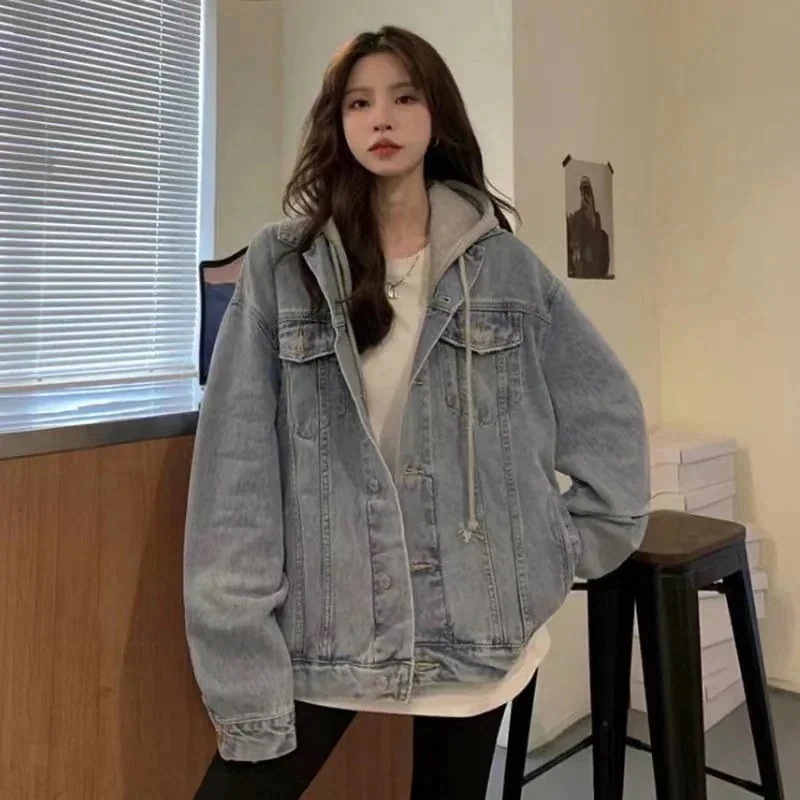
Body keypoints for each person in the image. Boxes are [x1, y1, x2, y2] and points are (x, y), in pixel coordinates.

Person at [184, 25, 649, 800]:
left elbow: (608, 417)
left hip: (473, 630)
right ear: (338, 123)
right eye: (359, 103)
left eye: (404, 98)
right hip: (325, 631)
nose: (382, 119)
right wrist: (240, 651)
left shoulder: (504, 268)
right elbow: (235, 478)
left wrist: (547, 552)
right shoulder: (281, 266)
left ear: (437, 117)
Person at [567, 175, 611, 279]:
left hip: (594, 267)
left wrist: (591, 216)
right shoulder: (575, 218)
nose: (586, 193)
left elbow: (597, 238)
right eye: (583, 189)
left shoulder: (596, 218)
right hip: (581, 267)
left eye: (588, 189)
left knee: (604, 236)